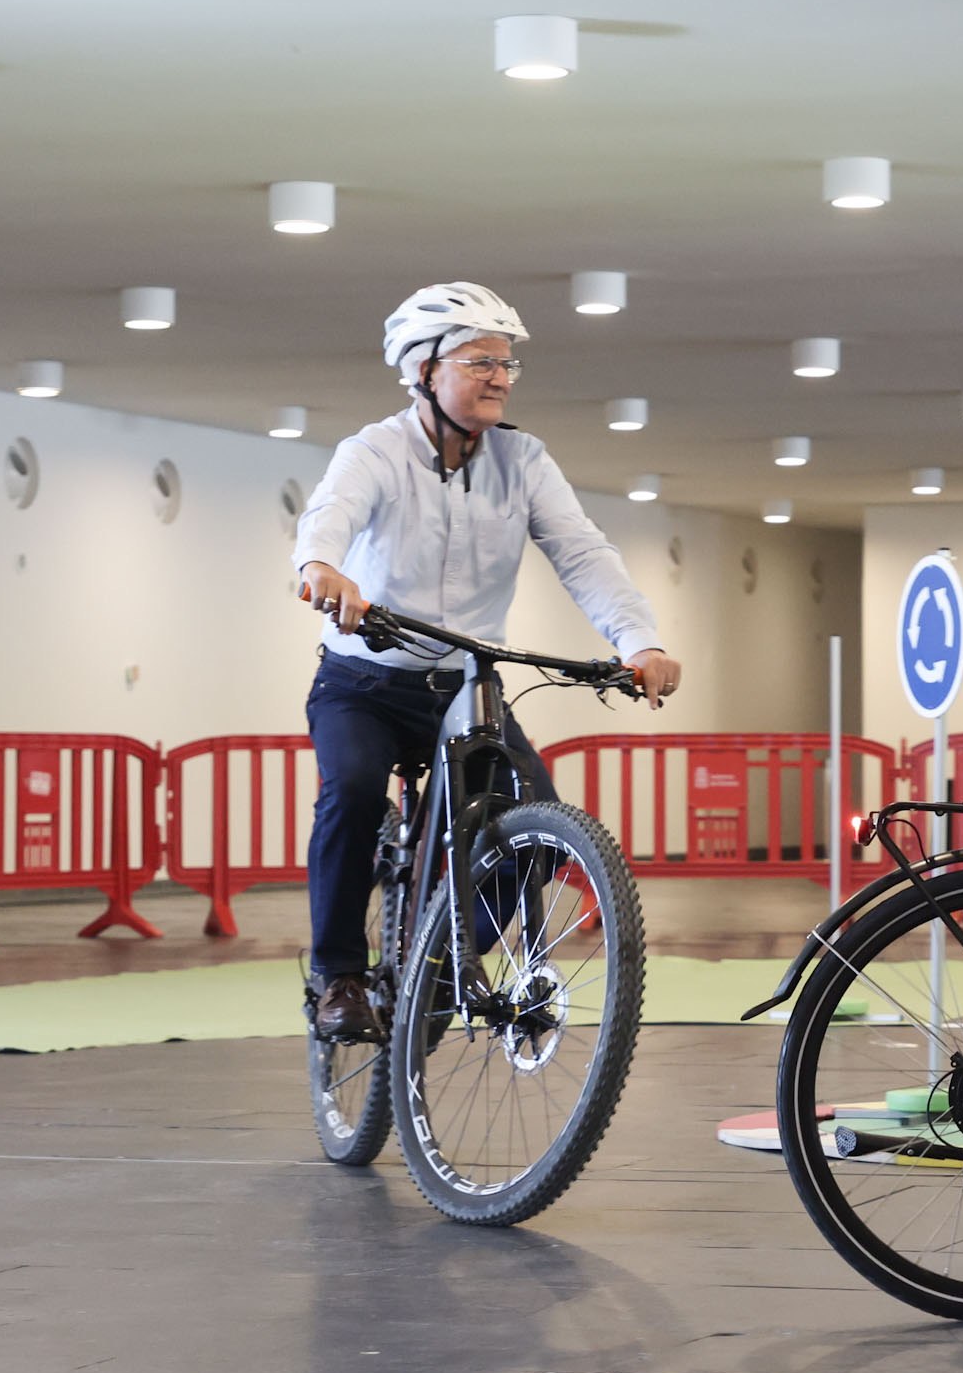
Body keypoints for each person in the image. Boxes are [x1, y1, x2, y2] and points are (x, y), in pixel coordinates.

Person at [290, 281, 683, 1042]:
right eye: (481, 362)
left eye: (507, 364)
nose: (501, 377)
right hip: (364, 681)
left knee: (533, 829)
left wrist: (639, 640)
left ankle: (440, 967)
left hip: (464, 686)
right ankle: (338, 976)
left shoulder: (523, 460)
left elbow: (582, 552)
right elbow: (330, 514)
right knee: (355, 790)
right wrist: (321, 568)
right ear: (424, 371)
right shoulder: (375, 451)